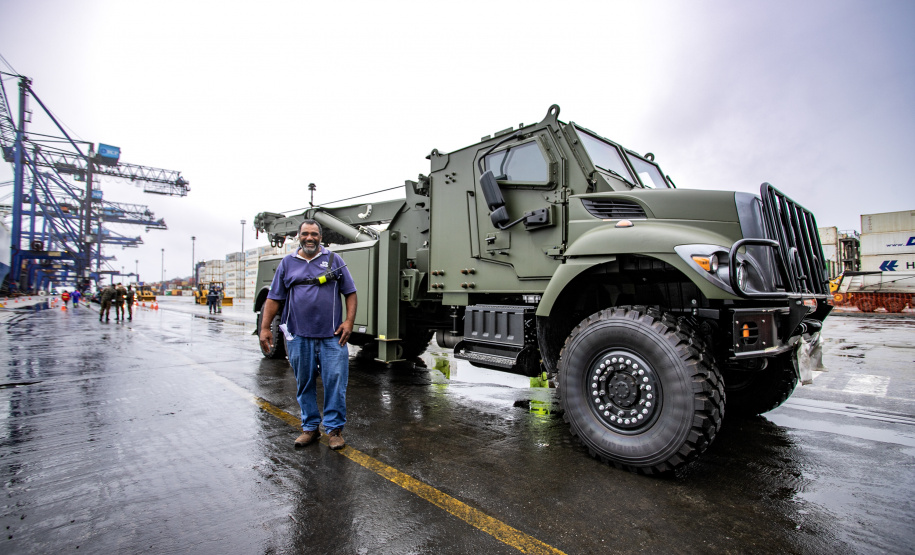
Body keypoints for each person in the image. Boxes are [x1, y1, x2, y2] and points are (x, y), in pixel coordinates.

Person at [259, 220, 357, 450]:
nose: (310, 237)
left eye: (314, 234)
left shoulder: (334, 260)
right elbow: (274, 298)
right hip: (298, 336)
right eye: (305, 234)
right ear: (298, 236)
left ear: (320, 237)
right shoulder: (287, 263)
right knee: (305, 383)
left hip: (332, 336)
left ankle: (334, 430)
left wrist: (349, 322)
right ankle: (310, 428)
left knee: (335, 382)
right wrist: (264, 328)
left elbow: (350, 293)